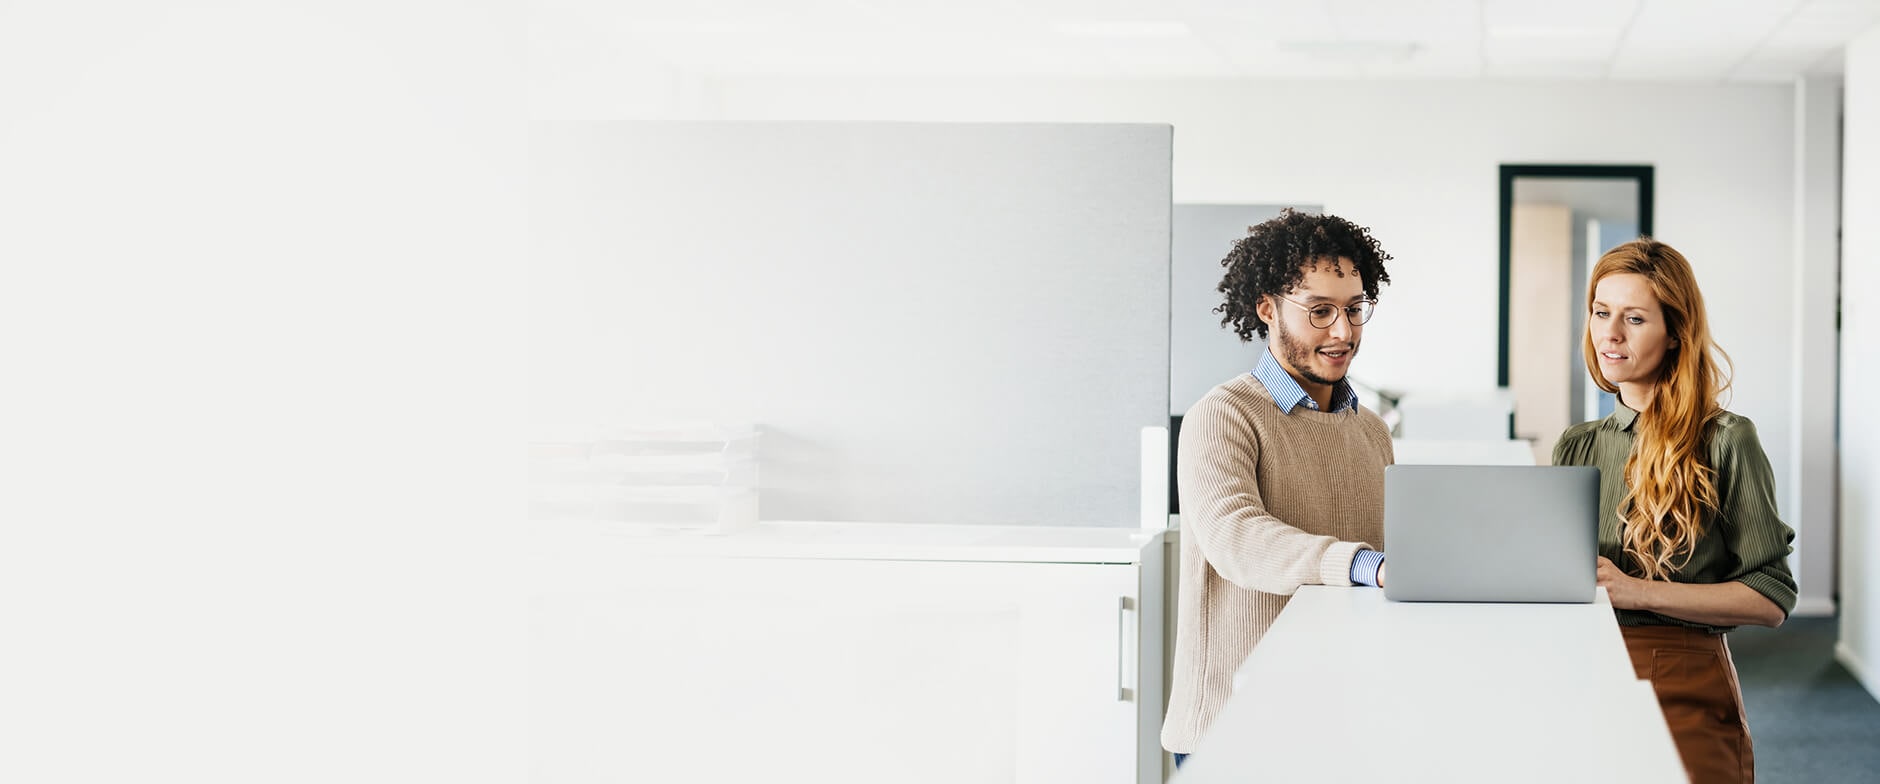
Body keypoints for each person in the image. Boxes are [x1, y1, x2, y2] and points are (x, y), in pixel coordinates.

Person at [1552, 238, 1796, 784]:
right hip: (1583, 666)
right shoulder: (1576, 445)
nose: (1610, 334)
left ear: (1675, 333)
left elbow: (1771, 597)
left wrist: (1636, 591)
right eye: (1601, 312)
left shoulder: (1726, 439)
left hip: (1683, 675)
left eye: (1634, 318)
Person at [1160, 209, 1395, 767]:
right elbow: (1236, 539)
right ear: (1267, 308)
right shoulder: (1224, 414)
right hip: (1232, 730)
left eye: (1354, 309)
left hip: (1338, 718)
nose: (1343, 332)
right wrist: (1365, 564)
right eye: (1320, 311)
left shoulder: (1372, 431)